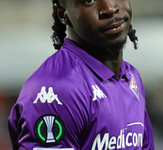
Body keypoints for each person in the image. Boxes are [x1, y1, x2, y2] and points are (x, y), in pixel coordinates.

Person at [8, 0, 155, 149]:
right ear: (62, 14)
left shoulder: (131, 77)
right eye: (89, 1)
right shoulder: (55, 90)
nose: (109, 8)